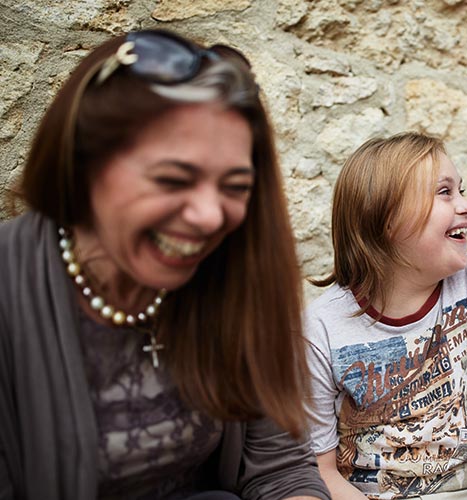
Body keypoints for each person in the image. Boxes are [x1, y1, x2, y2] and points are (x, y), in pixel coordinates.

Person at [0, 29, 330, 500]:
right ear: (84, 165)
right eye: (173, 179)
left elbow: (280, 470)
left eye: (235, 187)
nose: (209, 216)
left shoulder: (231, 279)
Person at [304, 132, 467, 499]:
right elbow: (318, 471)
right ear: (386, 219)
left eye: (461, 190)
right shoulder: (321, 328)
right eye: (445, 192)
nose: (466, 205)